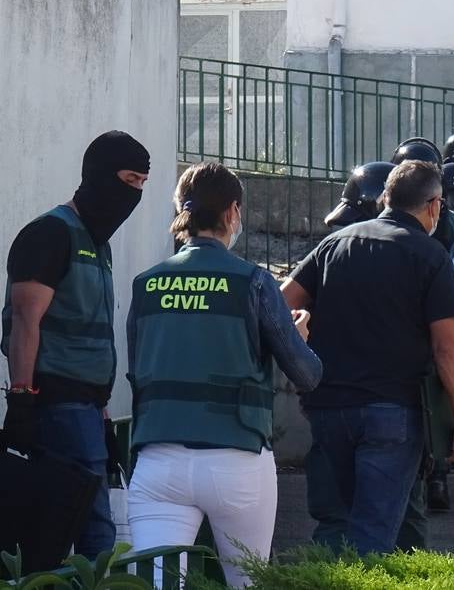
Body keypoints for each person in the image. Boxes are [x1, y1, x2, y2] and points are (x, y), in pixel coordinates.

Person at [125, 163, 321, 588]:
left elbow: (137, 370)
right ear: (233, 212)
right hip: (237, 461)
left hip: (158, 461)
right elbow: (306, 374)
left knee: (157, 583)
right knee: (247, 581)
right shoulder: (253, 282)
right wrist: (298, 335)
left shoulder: (147, 284)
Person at [281, 160, 454, 554]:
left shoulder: (334, 244)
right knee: (374, 538)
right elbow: (447, 348)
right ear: (435, 205)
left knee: (334, 527)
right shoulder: (430, 255)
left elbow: (279, 304)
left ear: (385, 198)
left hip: (328, 407)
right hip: (393, 413)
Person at [1, 131, 151, 559]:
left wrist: (102, 408)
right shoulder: (50, 233)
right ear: (100, 175)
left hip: (86, 408)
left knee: (74, 529)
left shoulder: (96, 243)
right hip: (55, 404)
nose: (135, 192)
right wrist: (22, 399)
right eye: (129, 179)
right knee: (95, 532)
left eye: (142, 183)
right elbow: (26, 322)